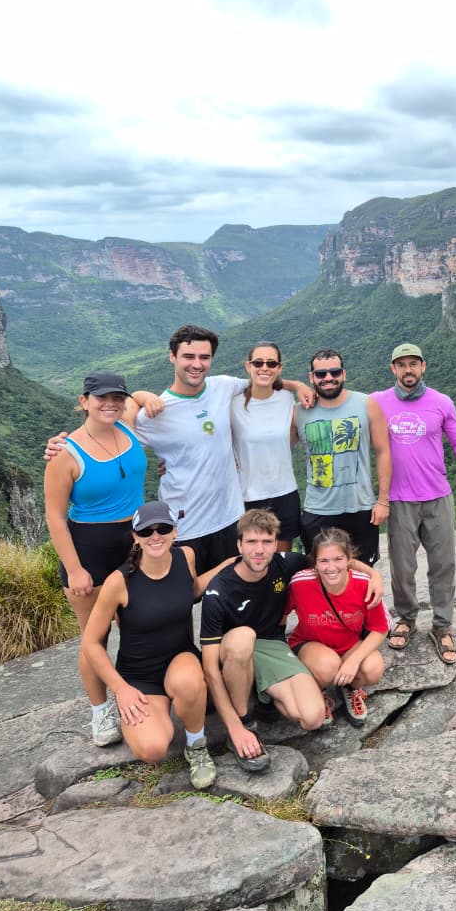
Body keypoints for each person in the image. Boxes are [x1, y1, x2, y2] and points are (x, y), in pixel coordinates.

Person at [46, 325, 312, 571]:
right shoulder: (154, 412)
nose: (197, 364)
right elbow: (109, 430)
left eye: (204, 357)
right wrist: (65, 447)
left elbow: (262, 380)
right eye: (188, 356)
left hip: (230, 520)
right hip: (184, 526)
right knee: (183, 601)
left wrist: (297, 385)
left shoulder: (223, 386)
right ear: (172, 357)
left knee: (228, 598)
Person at [200, 509, 385, 771]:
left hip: (272, 646)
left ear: (276, 544)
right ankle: (244, 723)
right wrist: (234, 728)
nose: (259, 550)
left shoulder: (285, 563)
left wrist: (374, 576)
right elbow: (209, 668)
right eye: (251, 542)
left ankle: (264, 698)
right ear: (239, 545)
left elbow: (332, 558)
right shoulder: (219, 591)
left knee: (313, 717)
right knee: (244, 638)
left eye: (267, 542)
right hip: (232, 650)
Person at [43, 370, 153, 748]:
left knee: (140, 623)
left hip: (137, 544)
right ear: (83, 401)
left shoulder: (125, 422)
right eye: (101, 397)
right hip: (90, 548)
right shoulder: (65, 454)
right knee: (96, 635)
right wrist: (75, 569)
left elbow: (138, 398)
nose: (111, 404)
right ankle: (99, 710)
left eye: (116, 398)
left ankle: (144, 693)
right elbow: (54, 516)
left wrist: (142, 394)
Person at [80, 501, 218, 790]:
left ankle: (196, 744)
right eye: (146, 531)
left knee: (189, 682)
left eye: (163, 528)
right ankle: (157, 710)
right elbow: (92, 643)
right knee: (154, 749)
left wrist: (229, 566)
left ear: (175, 531)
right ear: (135, 537)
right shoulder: (119, 581)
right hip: (140, 676)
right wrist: (121, 690)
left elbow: (189, 590)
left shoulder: (186, 557)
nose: (155, 536)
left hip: (179, 658)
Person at [372, 342, 456, 665]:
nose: (408, 370)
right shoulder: (377, 403)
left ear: (423, 367)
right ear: (392, 369)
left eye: (414, 364)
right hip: (398, 500)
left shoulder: (441, 402)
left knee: (443, 564)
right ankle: (407, 618)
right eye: (402, 365)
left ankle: (441, 625)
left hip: (437, 496)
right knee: (402, 567)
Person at [295, 348, 391, 567]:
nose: (328, 378)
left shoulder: (366, 404)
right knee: (319, 573)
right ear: (311, 378)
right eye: (321, 374)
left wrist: (383, 501)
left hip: (360, 508)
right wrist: (294, 386)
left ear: (343, 374)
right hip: (317, 509)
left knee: (362, 573)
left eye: (334, 372)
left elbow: (383, 451)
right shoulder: (299, 412)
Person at [287, 528, 390, 728]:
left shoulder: (364, 585)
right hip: (310, 643)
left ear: (349, 559)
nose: (331, 567)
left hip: (348, 643)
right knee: (328, 666)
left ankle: (350, 687)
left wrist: (354, 661)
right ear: (315, 562)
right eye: (323, 561)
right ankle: (319, 691)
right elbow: (280, 616)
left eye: (338, 559)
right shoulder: (300, 583)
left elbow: (380, 628)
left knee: (373, 669)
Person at [230, 341, 300, 552]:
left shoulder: (287, 398)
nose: (264, 368)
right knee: (252, 560)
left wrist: (298, 386)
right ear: (248, 366)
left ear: (279, 368)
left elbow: (292, 435)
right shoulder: (231, 403)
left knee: (281, 562)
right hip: (248, 495)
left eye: (271, 363)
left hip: (284, 491)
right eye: (258, 362)